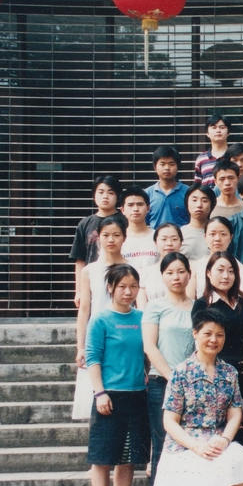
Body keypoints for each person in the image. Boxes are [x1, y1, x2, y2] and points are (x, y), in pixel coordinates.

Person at [151, 308, 243, 486]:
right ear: (195, 334)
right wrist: (196, 446)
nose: (214, 339)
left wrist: (225, 439)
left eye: (219, 335)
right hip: (184, 446)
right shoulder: (181, 372)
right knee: (221, 464)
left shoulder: (229, 372)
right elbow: (170, 422)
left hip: (218, 440)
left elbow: (235, 414)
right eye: (208, 333)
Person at [84, 264, 149, 486]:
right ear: (110, 287)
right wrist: (100, 392)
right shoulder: (100, 319)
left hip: (138, 394)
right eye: (122, 286)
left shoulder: (142, 318)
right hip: (109, 395)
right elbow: (92, 358)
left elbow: (147, 353)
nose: (128, 292)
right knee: (102, 457)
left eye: (133, 286)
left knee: (128, 457)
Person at [142, 252, 194, 486]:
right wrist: (174, 377)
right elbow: (149, 346)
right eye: (170, 272)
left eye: (181, 272)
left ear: (189, 274)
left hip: (192, 385)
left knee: (188, 444)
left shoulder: (197, 307)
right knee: (162, 443)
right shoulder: (155, 306)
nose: (176, 277)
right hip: (162, 383)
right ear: (162, 276)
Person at [74, 216, 130, 420]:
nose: (111, 240)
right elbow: (84, 310)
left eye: (116, 235)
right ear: (98, 237)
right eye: (106, 235)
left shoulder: (132, 268)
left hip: (125, 335)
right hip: (97, 336)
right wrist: (81, 347)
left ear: (124, 237)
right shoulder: (89, 270)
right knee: (95, 398)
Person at [192, 251, 243, 424]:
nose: (226, 276)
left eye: (231, 271)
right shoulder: (203, 304)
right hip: (218, 373)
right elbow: (201, 344)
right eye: (220, 270)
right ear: (208, 273)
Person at [70, 175, 121, 307]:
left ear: (117, 196)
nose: (105, 196)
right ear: (94, 195)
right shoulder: (85, 223)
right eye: (101, 192)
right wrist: (79, 291)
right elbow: (80, 259)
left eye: (111, 192)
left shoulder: (124, 221)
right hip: (93, 281)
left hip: (121, 279)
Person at [138, 224, 186, 305]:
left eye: (174, 239)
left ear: (181, 243)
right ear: (155, 243)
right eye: (164, 239)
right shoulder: (144, 273)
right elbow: (142, 307)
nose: (169, 243)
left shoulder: (188, 271)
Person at [189, 217, 237, 298]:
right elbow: (190, 299)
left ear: (230, 237)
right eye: (212, 234)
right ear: (205, 237)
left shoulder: (239, 267)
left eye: (223, 234)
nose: (217, 239)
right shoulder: (195, 267)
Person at [146, 146, 191, 228]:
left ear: (177, 167)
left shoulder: (188, 193)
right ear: (155, 167)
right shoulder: (147, 194)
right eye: (162, 164)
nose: (167, 168)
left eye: (171, 164)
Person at [119, 186, 159, 271]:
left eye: (140, 204)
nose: (135, 209)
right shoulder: (117, 238)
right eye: (130, 205)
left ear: (148, 208)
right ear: (122, 210)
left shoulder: (158, 237)